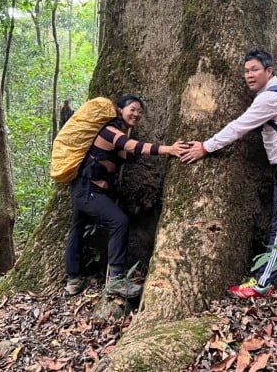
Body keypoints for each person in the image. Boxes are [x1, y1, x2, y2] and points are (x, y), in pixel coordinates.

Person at [181, 36, 277, 298]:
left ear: (268, 72)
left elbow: (238, 127)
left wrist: (205, 147)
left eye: (254, 70)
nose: (248, 75)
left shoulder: (267, 99)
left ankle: (263, 282)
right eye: (246, 71)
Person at [65, 95, 188, 297]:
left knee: (77, 230)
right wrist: (169, 149)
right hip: (89, 191)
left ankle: (73, 279)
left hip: (87, 190)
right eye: (132, 109)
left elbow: (128, 155)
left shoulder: (117, 134)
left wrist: (129, 134)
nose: (137, 114)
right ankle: (115, 282)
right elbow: (133, 146)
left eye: (140, 111)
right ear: (119, 109)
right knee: (119, 221)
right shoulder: (109, 131)